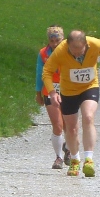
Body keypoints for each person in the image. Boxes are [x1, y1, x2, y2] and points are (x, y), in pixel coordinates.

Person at [42, 30, 100, 177]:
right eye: (73, 50)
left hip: (89, 86)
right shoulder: (60, 50)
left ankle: (89, 160)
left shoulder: (97, 44)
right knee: (72, 128)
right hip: (68, 91)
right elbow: (47, 71)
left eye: (80, 50)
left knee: (88, 117)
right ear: (67, 44)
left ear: (86, 44)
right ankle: (75, 159)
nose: (77, 54)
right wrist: (52, 92)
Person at [35, 25, 70, 169]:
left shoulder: (71, 51)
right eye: (52, 41)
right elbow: (39, 73)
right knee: (58, 124)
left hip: (69, 91)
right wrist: (38, 93)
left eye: (57, 40)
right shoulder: (44, 53)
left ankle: (68, 148)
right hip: (50, 91)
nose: (54, 44)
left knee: (69, 124)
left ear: (63, 39)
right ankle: (58, 158)